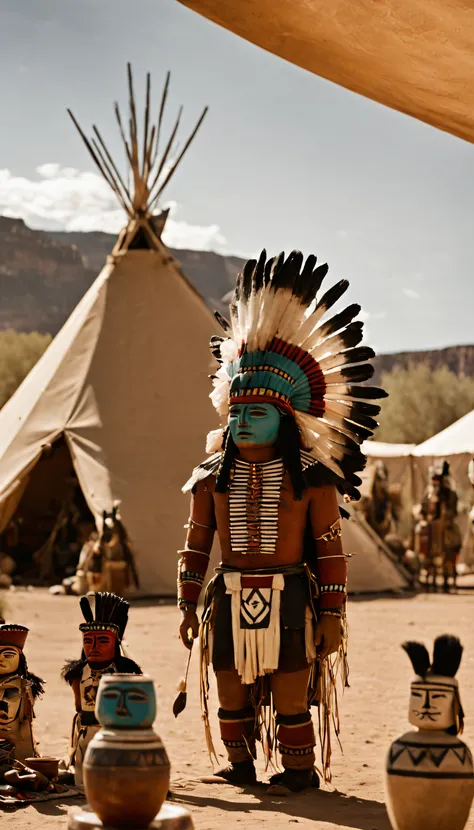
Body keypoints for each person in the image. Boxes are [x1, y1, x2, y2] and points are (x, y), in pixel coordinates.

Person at [177, 249, 386, 794]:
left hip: (292, 595)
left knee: (293, 687)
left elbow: (331, 547)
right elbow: (198, 543)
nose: (244, 421)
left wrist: (333, 614)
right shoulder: (209, 478)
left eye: (259, 412)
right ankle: (241, 765)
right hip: (228, 594)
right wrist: (186, 599)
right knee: (230, 685)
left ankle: (297, 772)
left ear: (288, 419)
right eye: (238, 411)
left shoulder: (315, 481)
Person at [62, 591, 142, 785]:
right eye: (88, 641)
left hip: (116, 735)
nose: (93, 647)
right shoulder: (78, 674)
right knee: (84, 781)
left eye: (103, 640)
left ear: (115, 643)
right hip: (86, 733)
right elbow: (78, 706)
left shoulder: (126, 671)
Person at [0, 622, 44, 763]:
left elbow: (25, 719)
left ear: (20, 657)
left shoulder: (23, 686)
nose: (0, 659)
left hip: (17, 747)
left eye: (7, 655)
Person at [415, 461, 461, 592]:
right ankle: (427, 578)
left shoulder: (450, 494)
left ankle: (448, 580)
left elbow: (454, 511)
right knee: (421, 538)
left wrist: (446, 516)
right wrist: (423, 516)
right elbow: (423, 508)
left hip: (446, 526)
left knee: (454, 542)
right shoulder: (428, 494)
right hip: (430, 528)